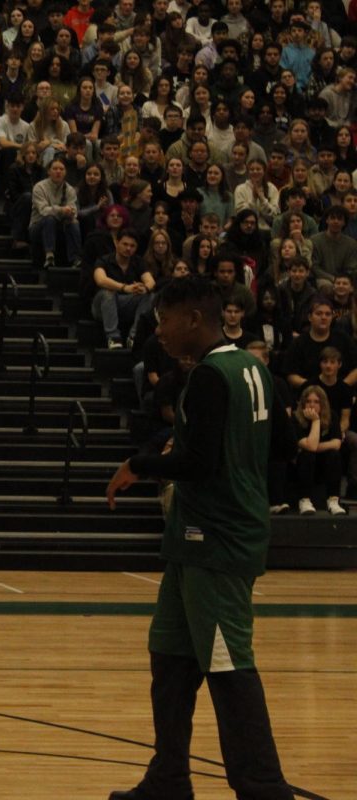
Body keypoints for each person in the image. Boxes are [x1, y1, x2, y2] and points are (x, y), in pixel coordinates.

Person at [107, 276, 295, 800]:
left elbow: (198, 462)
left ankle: (264, 789)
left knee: (229, 668)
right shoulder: (254, 367)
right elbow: (283, 447)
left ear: (193, 318)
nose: (159, 331)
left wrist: (139, 464)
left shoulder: (212, 376)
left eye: (164, 319)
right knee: (169, 660)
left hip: (217, 542)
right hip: (195, 542)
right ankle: (168, 780)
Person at [292, 385, 345, 515]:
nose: (312, 405)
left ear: (323, 403)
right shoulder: (295, 419)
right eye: (308, 401)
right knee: (307, 455)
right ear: (303, 403)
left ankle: (333, 501)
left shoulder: (332, 415)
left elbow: (337, 444)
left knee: (334, 455)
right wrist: (316, 421)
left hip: (323, 466)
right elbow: (309, 447)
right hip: (301, 466)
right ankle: (304, 500)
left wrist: (314, 447)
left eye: (316, 401)